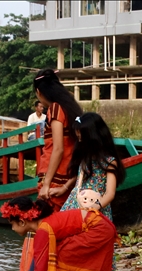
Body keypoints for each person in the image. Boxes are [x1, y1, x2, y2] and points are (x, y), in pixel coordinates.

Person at [4, 194, 117, 271]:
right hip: (101, 225)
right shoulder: (44, 225)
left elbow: (42, 268)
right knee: (59, 253)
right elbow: (40, 262)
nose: (12, 229)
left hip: (98, 229)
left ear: (21, 222)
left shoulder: (43, 230)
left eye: (12, 224)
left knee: (60, 255)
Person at [56, 112, 126, 221]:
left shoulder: (109, 162)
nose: (79, 141)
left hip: (95, 207)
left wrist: (94, 208)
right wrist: (64, 188)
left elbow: (109, 193)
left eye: (81, 138)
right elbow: (80, 175)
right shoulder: (85, 157)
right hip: (75, 203)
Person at [33, 69, 83, 211]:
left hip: (55, 177)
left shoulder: (55, 108)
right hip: (67, 175)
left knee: (45, 223)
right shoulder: (70, 107)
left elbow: (58, 148)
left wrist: (46, 183)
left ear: (39, 91)